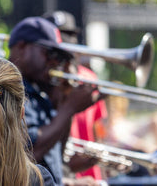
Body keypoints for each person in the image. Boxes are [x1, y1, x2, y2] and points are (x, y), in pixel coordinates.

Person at [8, 16, 100, 186]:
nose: (54, 62)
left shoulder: (38, 92)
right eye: (49, 53)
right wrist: (69, 108)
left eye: (57, 56)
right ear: (22, 47)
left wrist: (63, 101)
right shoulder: (9, 90)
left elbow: (52, 154)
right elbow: (31, 152)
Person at [44, 10, 108, 181]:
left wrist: (102, 168)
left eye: (71, 35)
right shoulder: (42, 86)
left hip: (86, 176)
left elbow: (97, 130)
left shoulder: (88, 79)